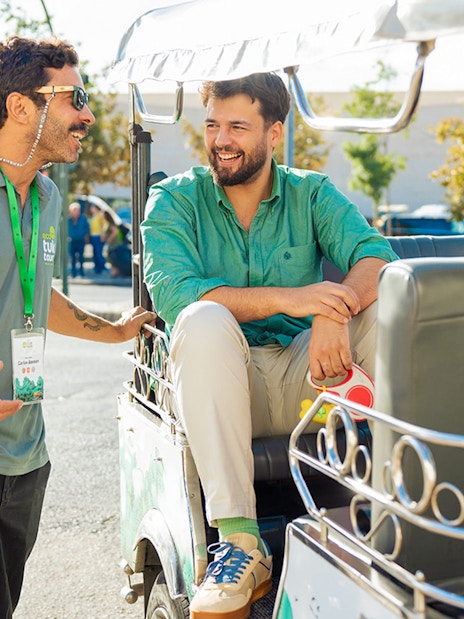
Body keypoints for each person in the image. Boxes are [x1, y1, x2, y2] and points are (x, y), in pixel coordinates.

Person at [141, 72, 399, 619]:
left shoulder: (311, 193)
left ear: (274, 133)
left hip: (302, 379)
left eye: (238, 125)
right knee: (205, 317)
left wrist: (336, 307)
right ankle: (240, 543)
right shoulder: (172, 201)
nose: (221, 139)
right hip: (211, 381)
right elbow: (180, 297)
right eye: (212, 124)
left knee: (391, 306)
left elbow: (378, 258)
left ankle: (402, 505)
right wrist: (302, 299)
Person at [0, 36, 156, 618]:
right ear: (21, 107)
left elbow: (36, 291)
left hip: (26, 459)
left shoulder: (45, 193)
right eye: (75, 96)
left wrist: (113, 330)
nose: (88, 114)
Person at [103, 210, 132, 278]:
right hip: (113, 244)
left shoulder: (111, 224)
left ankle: (115, 271)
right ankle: (115, 271)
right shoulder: (108, 223)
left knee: (110, 257)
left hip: (114, 243)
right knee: (110, 257)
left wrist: (109, 239)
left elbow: (115, 231)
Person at [68, 201, 89, 277]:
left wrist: (85, 236)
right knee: (73, 257)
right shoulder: (68, 219)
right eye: (75, 210)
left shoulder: (83, 218)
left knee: (81, 257)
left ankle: (81, 272)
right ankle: (73, 273)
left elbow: (87, 228)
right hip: (72, 240)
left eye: (78, 210)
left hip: (81, 240)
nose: (77, 212)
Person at [88, 203, 107, 273]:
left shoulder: (100, 215)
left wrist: (103, 235)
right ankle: (97, 268)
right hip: (93, 236)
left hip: (99, 236)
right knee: (95, 253)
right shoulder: (93, 216)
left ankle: (102, 267)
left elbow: (104, 225)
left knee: (99, 253)